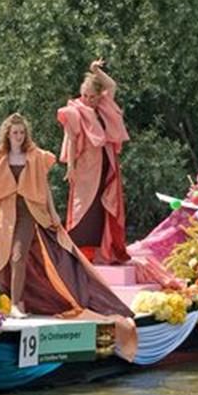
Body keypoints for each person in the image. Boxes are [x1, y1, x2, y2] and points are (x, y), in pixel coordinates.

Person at [0, 113, 134, 320]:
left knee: (18, 257)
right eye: (15, 132)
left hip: (29, 211)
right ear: (7, 134)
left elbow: (44, 188)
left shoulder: (34, 155)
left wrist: (53, 212)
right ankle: (9, 301)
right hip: (7, 212)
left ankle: (16, 304)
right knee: (2, 258)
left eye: (21, 132)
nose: (19, 136)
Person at [57, 59, 130, 265]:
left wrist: (96, 70)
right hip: (86, 165)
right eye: (85, 95)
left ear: (99, 96)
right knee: (84, 207)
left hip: (107, 162)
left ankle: (104, 251)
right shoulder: (74, 110)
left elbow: (112, 86)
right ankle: (79, 251)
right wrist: (70, 167)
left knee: (106, 206)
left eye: (92, 96)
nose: (88, 100)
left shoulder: (105, 104)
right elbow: (71, 140)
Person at [127, 136, 198, 264]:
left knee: (185, 221)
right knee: (177, 214)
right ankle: (150, 244)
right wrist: (196, 190)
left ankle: (160, 251)